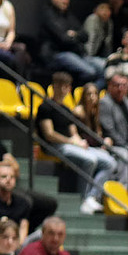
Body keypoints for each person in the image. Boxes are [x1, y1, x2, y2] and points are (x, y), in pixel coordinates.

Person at [36, 75, 119, 216]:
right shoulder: (45, 107)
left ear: (69, 89)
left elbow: (73, 132)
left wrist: (80, 142)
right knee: (90, 159)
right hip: (54, 146)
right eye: (59, 85)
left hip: (70, 145)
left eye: (65, 86)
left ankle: (92, 197)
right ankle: (83, 199)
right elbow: (49, 134)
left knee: (109, 162)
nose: (62, 89)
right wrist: (72, 141)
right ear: (53, 86)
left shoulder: (67, 109)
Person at [41, 0, 106, 84]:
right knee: (90, 72)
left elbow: (85, 36)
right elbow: (63, 39)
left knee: (106, 69)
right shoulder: (49, 15)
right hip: (57, 54)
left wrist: (74, 34)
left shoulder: (69, 16)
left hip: (77, 53)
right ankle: (82, 91)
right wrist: (75, 36)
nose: (65, 0)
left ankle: (94, 90)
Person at [0, 163, 34, 242]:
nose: (8, 179)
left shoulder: (23, 203)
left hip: (14, 243)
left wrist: (17, 245)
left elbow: (23, 229)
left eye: (12, 177)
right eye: (4, 176)